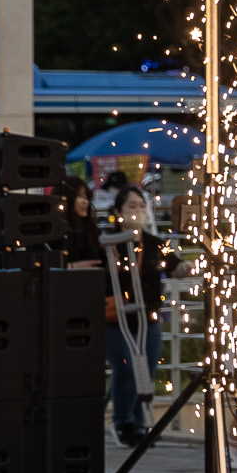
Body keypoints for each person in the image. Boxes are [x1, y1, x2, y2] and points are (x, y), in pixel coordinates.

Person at [102, 182, 163, 445]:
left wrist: (189, 268)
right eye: (131, 206)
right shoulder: (106, 242)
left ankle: (140, 425)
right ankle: (122, 421)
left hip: (147, 317)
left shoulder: (154, 244)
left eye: (141, 205)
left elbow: (174, 265)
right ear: (118, 211)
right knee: (126, 366)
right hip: (114, 319)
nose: (137, 211)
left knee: (145, 370)